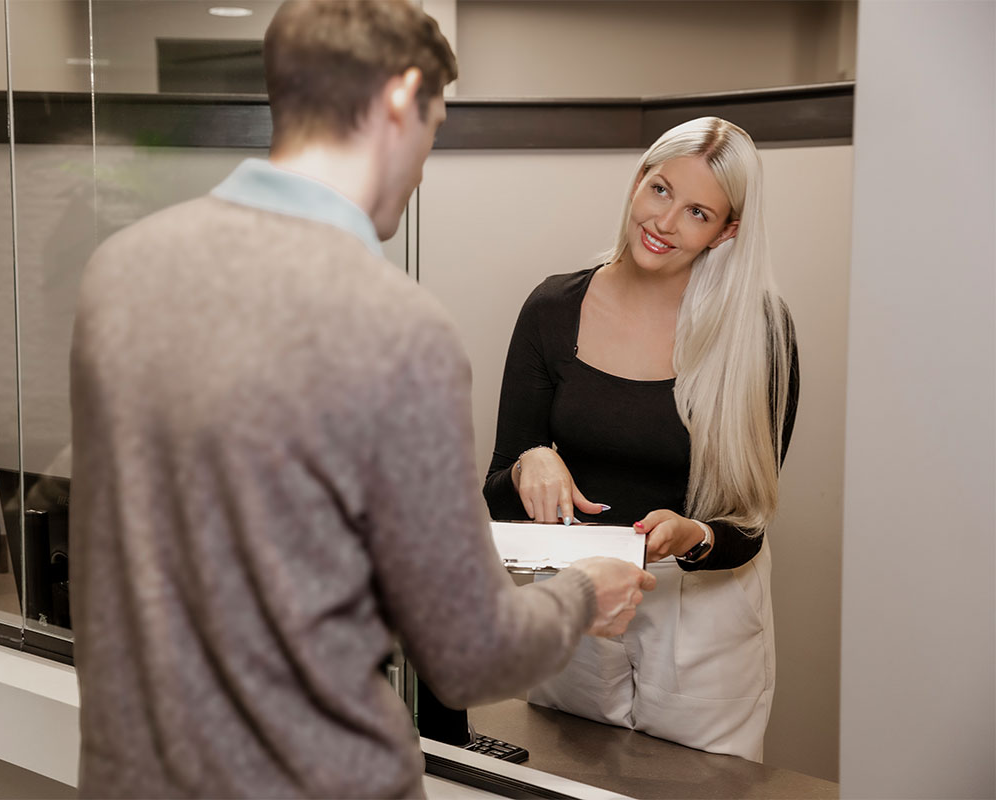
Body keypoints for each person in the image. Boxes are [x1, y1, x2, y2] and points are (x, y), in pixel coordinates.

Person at [68, 2, 656, 797]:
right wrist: (587, 590)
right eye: (433, 127)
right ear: (398, 100)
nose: (421, 167)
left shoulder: (118, 271)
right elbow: (471, 654)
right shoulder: (398, 330)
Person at [482, 116, 799, 762]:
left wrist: (696, 535)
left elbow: (749, 523)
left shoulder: (759, 333)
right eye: (659, 191)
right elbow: (495, 495)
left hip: (704, 621)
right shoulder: (552, 310)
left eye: (698, 212)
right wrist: (529, 463)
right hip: (578, 600)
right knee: (565, 776)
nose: (665, 222)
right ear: (636, 182)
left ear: (727, 231)